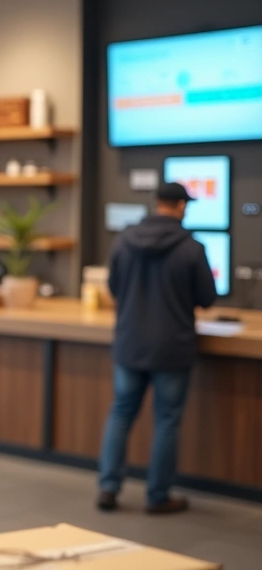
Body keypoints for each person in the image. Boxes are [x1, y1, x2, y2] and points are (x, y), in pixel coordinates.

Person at [96, 181, 217, 515]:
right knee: (166, 419)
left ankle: (108, 487)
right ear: (179, 206)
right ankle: (158, 495)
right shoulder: (192, 248)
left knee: (121, 412)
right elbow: (207, 299)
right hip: (172, 347)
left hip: (130, 342)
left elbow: (113, 287)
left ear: (156, 203)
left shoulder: (124, 240)